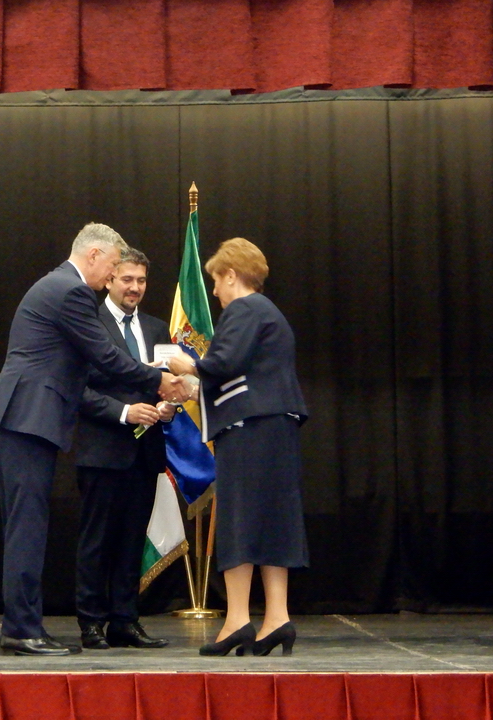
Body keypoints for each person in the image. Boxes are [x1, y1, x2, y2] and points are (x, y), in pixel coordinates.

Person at [0, 222, 187, 657]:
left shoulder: (56, 286)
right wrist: (159, 381)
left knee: (25, 527)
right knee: (27, 528)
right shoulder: (71, 291)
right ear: (94, 255)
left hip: (21, 417)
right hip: (26, 418)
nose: (112, 276)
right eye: (113, 266)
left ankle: (23, 625)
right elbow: (106, 356)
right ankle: (21, 630)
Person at [167, 237, 308, 658]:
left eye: (216, 281)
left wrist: (185, 365)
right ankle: (277, 617)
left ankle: (237, 620)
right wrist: (197, 384)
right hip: (274, 427)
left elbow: (223, 364)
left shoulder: (245, 308)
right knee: (273, 518)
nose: (213, 292)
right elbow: (239, 373)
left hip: (250, 429)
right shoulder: (268, 312)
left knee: (239, 517)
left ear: (231, 275)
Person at [74, 248, 174, 650]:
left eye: (142, 280)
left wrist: (168, 408)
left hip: (146, 453)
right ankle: (91, 623)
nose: (135, 288)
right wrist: (124, 412)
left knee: (133, 541)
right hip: (101, 451)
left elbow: (164, 384)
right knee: (97, 541)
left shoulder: (157, 328)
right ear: (110, 279)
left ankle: (125, 621)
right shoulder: (89, 323)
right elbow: (76, 389)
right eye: (127, 279)